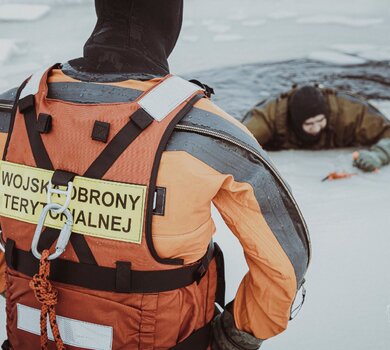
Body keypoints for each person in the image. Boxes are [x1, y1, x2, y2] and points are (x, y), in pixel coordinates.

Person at [0, 1, 310, 349]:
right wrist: (237, 334)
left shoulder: (10, 113)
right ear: (170, 22)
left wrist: (15, 278)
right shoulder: (210, 132)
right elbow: (285, 261)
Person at [243, 85, 390, 172]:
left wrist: (379, 155)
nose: (317, 128)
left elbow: (387, 132)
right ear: (296, 123)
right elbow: (235, 140)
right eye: (309, 124)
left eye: (320, 121)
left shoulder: (350, 113)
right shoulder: (268, 118)